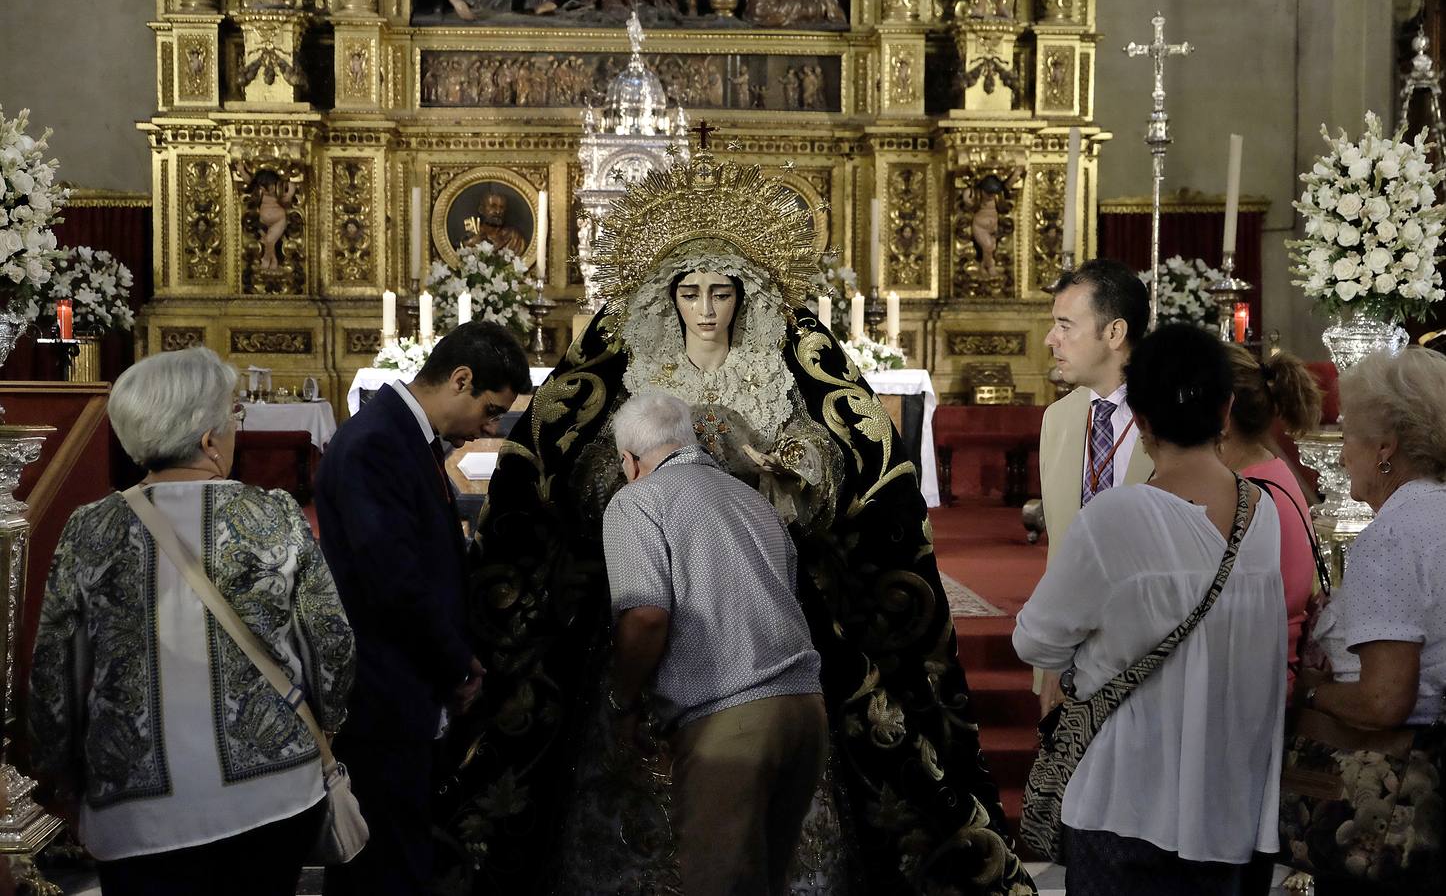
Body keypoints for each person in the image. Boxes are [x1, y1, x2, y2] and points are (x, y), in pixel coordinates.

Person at [437, 148, 1033, 895]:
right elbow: (590, 472)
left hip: (757, 592)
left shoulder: (778, 367)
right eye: (691, 292)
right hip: (658, 578)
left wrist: (784, 462)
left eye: (723, 291)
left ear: (744, 296)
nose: (708, 308)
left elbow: (834, 455)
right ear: (669, 298)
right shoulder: (633, 372)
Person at [29, 347, 356, 896]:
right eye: (234, 415)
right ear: (208, 440)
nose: (235, 427)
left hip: (135, 808)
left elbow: (53, 672)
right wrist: (327, 724)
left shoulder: (90, 529)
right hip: (272, 793)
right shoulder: (273, 515)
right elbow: (331, 641)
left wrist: (57, 773)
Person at [1014, 324, 1286, 896]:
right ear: (1227, 409)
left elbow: (1035, 641)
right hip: (1229, 798)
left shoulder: (1117, 516)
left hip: (1125, 797)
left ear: (1138, 419)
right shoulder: (1261, 514)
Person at [316, 321, 531, 896]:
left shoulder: (400, 436)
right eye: (490, 409)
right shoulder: (377, 443)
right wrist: (454, 663)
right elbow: (395, 581)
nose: (491, 427)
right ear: (460, 380)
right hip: (384, 691)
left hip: (404, 683)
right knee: (386, 867)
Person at [603, 389, 827, 896]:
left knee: (718, 885)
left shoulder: (637, 501)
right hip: (805, 711)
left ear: (629, 461)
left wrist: (625, 700)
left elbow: (645, 615)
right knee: (769, 883)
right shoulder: (751, 498)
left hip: (733, 724)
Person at [1292, 346, 1446, 894]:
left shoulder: (1394, 535)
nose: (1340, 455)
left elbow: (1384, 701)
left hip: (1403, 798)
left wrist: (1307, 695)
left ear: (1385, 449)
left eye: (1347, 435)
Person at [1035, 258, 1154, 715]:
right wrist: (1050, 658)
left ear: (1114, 333)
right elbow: (1059, 550)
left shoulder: (1168, 416)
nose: (1051, 339)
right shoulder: (1058, 420)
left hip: (1146, 655)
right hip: (1070, 659)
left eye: (1065, 325)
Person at [1218, 344, 1322, 687]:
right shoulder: (1270, 469)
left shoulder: (1245, 494)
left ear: (1222, 415)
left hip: (1258, 684)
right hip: (1269, 669)